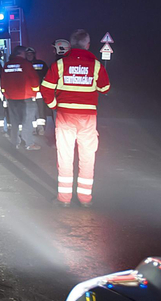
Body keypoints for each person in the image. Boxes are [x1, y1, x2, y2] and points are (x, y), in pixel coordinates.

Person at [41, 30, 110, 207]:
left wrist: (54, 105)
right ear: (88, 45)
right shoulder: (96, 65)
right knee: (88, 156)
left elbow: (46, 89)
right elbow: (105, 89)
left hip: (65, 116)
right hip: (88, 118)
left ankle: (64, 199)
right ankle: (85, 199)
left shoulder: (61, 64)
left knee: (65, 156)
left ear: (71, 46)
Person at [1, 46, 41, 150]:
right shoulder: (26, 64)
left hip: (12, 99)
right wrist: (34, 92)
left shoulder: (7, 65)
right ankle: (29, 143)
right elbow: (34, 80)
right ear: (22, 53)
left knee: (14, 122)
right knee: (27, 121)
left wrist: (7, 95)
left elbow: (3, 82)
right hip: (26, 98)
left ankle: (14, 143)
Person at [26, 47, 49, 135]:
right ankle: (33, 129)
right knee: (30, 110)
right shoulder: (24, 64)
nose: (29, 56)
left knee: (40, 110)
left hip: (39, 91)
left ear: (34, 54)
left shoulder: (41, 64)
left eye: (31, 54)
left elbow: (47, 76)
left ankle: (41, 128)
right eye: (27, 54)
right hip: (28, 92)